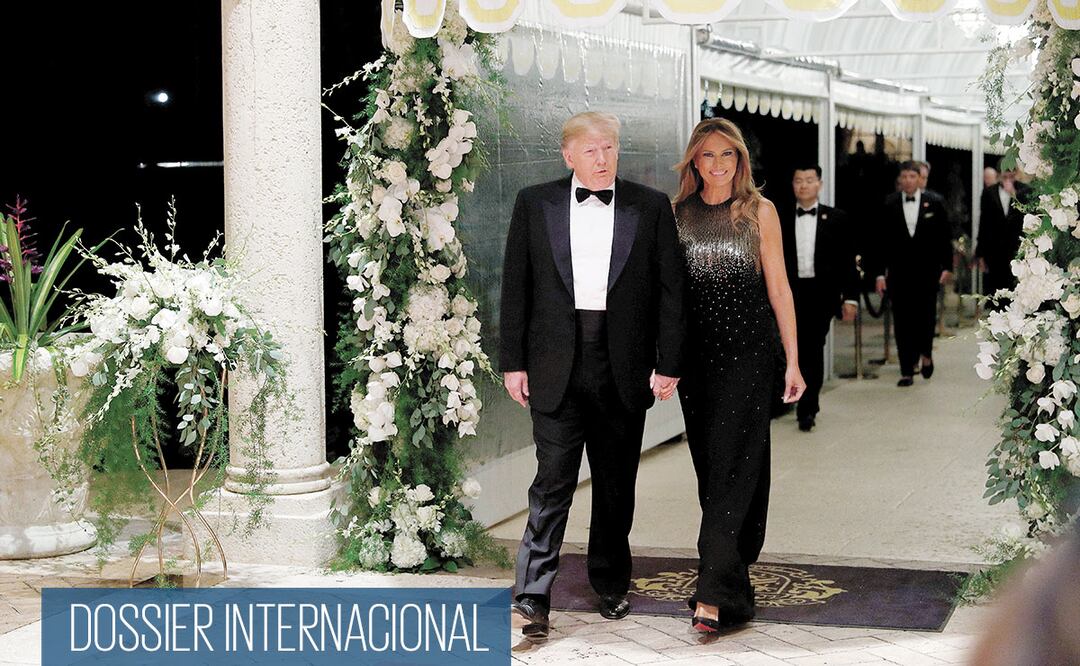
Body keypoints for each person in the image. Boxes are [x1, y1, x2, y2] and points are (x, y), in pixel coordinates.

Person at [500, 111, 686, 639]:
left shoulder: (649, 207)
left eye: (609, 149)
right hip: (554, 366)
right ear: (568, 156)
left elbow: (670, 293)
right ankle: (532, 597)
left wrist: (669, 363)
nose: (602, 159)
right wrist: (513, 362)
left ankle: (610, 583)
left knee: (614, 485)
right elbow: (516, 288)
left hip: (622, 367)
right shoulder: (533, 203)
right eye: (590, 151)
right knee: (552, 482)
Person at [672, 118, 805, 631]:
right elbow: (669, 298)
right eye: (708, 156)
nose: (719, 165)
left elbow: (780, 290)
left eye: (728, 155)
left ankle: (711, 595)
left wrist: (792, 360)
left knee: (733, 468)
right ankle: (734, 580)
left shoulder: (759, 211)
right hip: (697, 364)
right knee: (714, 474)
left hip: (749, 356)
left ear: (740, 160)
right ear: (694, 162)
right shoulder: (676, 213)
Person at [781, 164, 859, 432]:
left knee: (812, 349)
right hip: (788, 293)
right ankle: (788, 398)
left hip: (820, 295)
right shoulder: (779, 217)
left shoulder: (837, 218)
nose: (803, 185)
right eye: (798, 180)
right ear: (792, 185)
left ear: (819, 184)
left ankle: (807, 406)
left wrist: (850, 298)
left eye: (809, 180)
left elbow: (848, 261)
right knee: (789, 348)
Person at [874, 161, 953, 387]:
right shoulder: (889, 203)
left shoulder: (935, 203)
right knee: (902, 321)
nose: (908, 180)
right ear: (900, 179)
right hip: (899, 274)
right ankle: (906, 369)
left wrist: (946, 267)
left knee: (925, 317)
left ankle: (926, 354)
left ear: (920, 179)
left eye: (912, 176)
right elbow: (880, 242)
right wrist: (880, 274)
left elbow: (943, 237)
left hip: (927, 272)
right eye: (905, 176)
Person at [975, 167, 1030, 296]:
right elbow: (984, 223)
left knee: (1015, 290)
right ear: (999, 176)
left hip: (1016, 249)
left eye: (1011, 177)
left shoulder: (1024, 190)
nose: (1008, 180)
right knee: (995, 291)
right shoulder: (989, 192)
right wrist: (980, 253)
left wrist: (1014, 194)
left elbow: (1027, 216)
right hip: (994, 250)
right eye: (1005, 177)